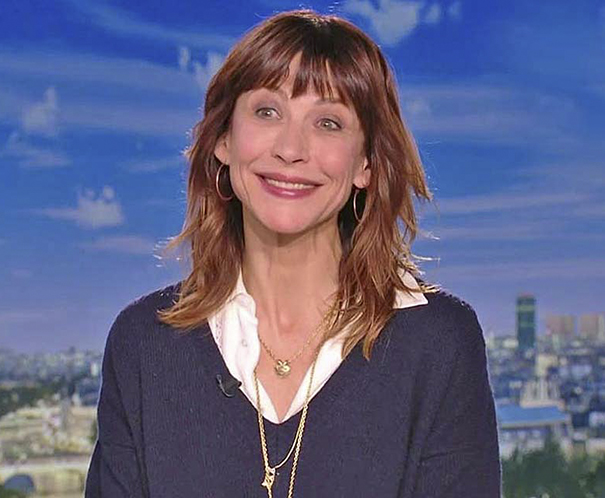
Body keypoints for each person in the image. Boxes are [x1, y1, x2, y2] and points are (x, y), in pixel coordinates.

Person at [85, 8, 501, 498]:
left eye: (328, 122)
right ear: (223, 140)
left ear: (366, 164)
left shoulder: (439, 343)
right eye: (267, 112)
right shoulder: (144, 344)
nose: (291, 148)